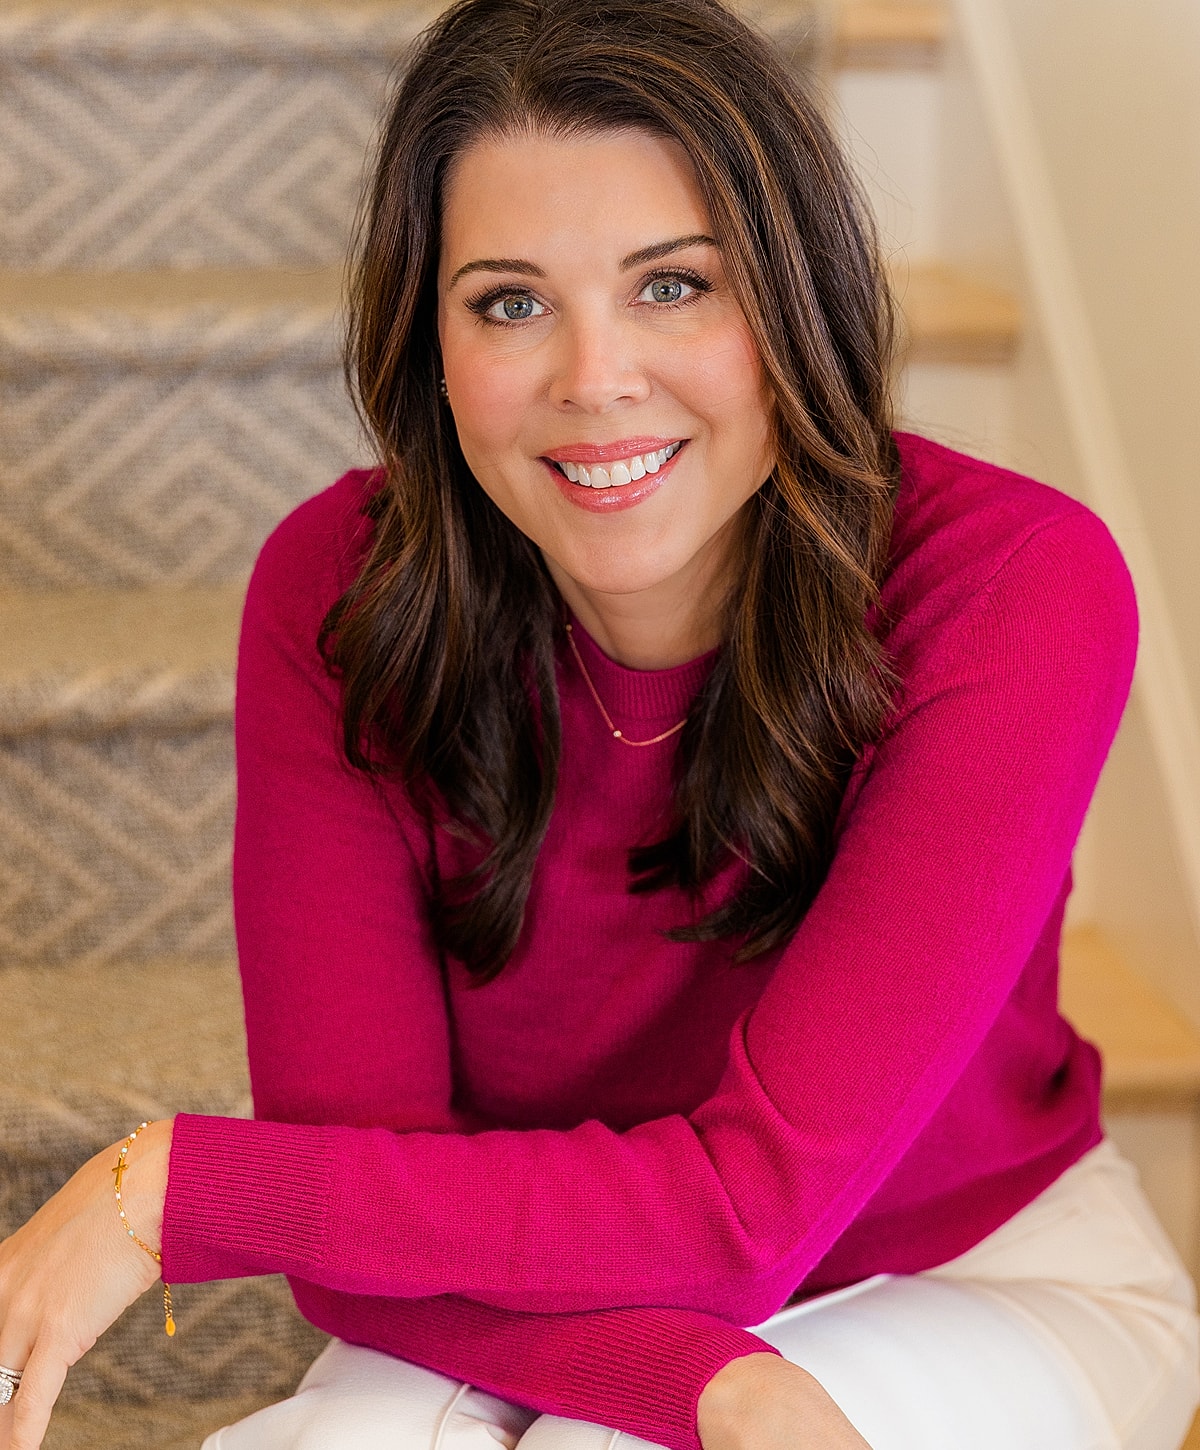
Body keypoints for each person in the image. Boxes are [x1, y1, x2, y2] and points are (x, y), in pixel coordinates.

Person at [2, 0, 1198, 1447]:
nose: (594, 379)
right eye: (511, 301)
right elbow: (367, 1189)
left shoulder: (1014, 589)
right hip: (523, 1271)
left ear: (791, 292)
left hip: (967, 1260)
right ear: (427, 341)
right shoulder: (341, 596)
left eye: (673, 286)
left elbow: (749, 1211)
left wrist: (189, 1190)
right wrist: (708, 1381)